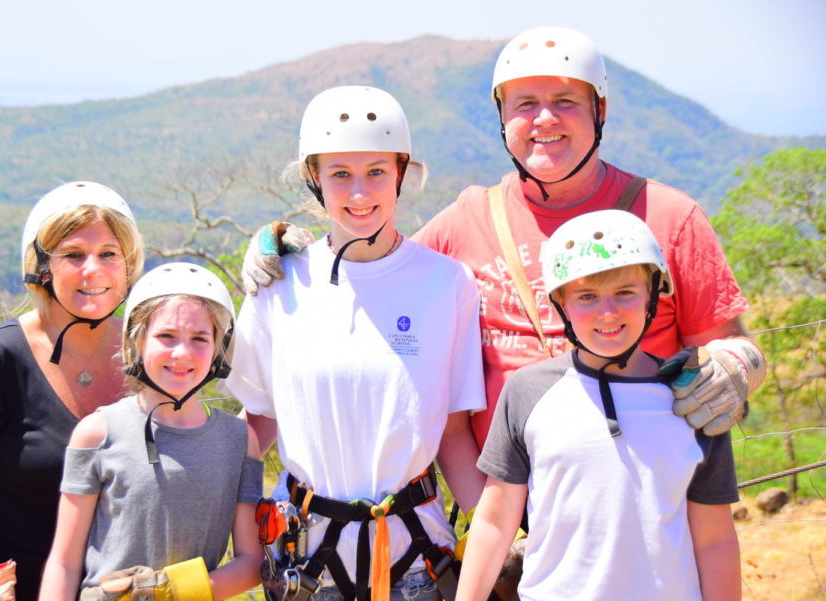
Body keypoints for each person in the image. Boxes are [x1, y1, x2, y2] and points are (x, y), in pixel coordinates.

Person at [239, 26, 766, 448]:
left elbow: (729, 338)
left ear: (599, 111)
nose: (544, 120)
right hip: (510, 508)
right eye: (524, 104)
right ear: (501, 117)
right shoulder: (470, 218)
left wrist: (738, 365)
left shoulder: (670, 216)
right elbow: (377, 264)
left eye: (564, 101)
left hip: (638, 499)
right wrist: (290, 247)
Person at [225, 85, 486, 601]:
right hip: (305, 562)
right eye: (340, 174)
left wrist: (495, 533)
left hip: (417, 558)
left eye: (376, 172)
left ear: (401, 173)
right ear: (314, 178)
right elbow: (256, 422)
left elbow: (453, 429)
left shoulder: (446, 284)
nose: (360, 193)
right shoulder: (278, 282)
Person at [457, 209, 742, 601]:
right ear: (561, 302)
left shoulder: (695, 397)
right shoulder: (527, 392)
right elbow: (494, 520)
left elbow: (714, 539)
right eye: (587, 296)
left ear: (651, 296)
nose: (607, 312)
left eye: (625, 292)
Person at [0, 181, 144, 601]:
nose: (92, 270)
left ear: (129, 264)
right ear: (42, 267)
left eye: (109, 254)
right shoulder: (1, 356)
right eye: (73, 255)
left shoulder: (148, 354)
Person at [38, 262, 263, 601]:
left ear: (219, 348)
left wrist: (167, 593)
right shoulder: (97, 433)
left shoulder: (240, 440)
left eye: (200, 338)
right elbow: (64, 562)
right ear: (137, 341)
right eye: (166, 336)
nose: (182, 353)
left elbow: (250, 562)